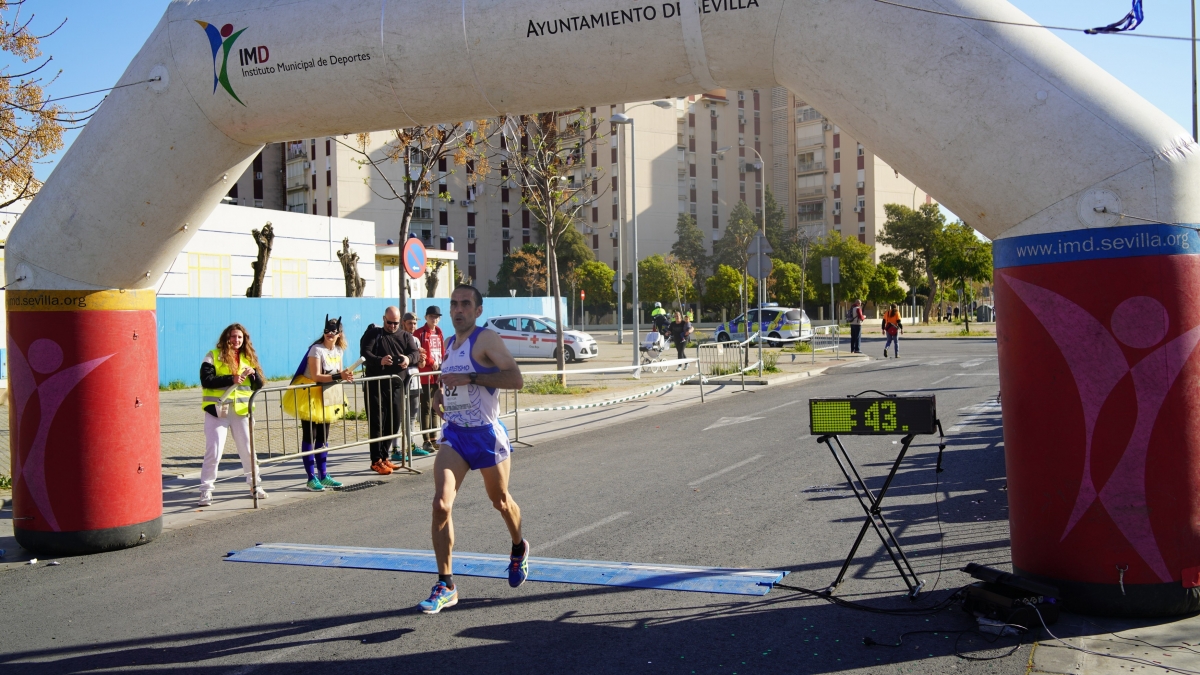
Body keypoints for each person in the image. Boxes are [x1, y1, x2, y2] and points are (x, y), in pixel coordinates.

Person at [420, 285, 527, 615]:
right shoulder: (450, 343)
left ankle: (518, 547)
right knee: (441, 504)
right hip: (455, 435)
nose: (458, 309)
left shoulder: (486, 340)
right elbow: (450, 380)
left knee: (500, 501)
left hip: (486, 435)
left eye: (465, 304)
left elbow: (515, 378)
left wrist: (473, 378)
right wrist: (440, 395)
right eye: (454, 304)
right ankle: (446, 584)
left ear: (478, 310)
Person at [198, 324, 267, 506]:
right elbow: (206, 380)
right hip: (218, 411)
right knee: (214, 452)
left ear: (244, 340)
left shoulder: (248, 357)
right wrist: (231, 378)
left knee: (248, 451)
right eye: (233, 337)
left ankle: (255, 485)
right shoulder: (213, 355)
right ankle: (206, 490)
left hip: (242, 412)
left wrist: (254, 375)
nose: (236, 340)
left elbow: (258, 385)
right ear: (226, 338)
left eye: (240, 337)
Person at [360, 306, 424, 475]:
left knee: (394, 422)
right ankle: (376, 460)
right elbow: (365, 354)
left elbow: (416, 354)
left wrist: (407, 359)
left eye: (396, 323)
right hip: (376, 386)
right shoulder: (374, 334)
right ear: (384, 319)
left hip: (397, 386)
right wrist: (379, 360)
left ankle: (385, 456)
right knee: (377, 423)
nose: (393, 326)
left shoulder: (405, 336)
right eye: (390, 323)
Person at [300, 316, 355, 491]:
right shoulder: (316, 350)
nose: (330, 334)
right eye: (327, 331)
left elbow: (338, 372)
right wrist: (340, 376)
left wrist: (346, 376)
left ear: (339, 334)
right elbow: (316, 376)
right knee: (310, 435)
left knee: (324, 436)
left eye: (334, 331)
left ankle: (324, 475)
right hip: (310, 395)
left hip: (328, 394)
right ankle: (311, 477)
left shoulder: (338, 351)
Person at [413, 305, 446, 453]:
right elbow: (421, 353)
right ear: (426, 317)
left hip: (436, 375)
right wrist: (432, 363)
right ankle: (426, 440)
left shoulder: (439, 332)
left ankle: (434, 438)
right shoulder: (419, 333)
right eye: (432, 316)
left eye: (437, 317)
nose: (435, 319)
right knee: (425, 407)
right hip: (425, 375)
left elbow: (442, 351)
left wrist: (443, 367)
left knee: (435, 406)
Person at [400, 312, 430, 459]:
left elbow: (421, 364)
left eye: (414, 323)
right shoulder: (398, 337)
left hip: (415, 380)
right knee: (399, 416)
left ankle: (411, 445)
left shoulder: (417, 340)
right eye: (410, 323)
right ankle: (396, 448)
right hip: (402, 381)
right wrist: (415, 356)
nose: (413, 326)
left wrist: (421, 358)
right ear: (403, 323)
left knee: (412, 416)